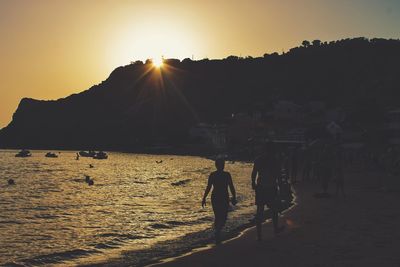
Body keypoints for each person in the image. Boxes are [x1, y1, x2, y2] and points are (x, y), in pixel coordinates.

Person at [252, 142, 284, 241]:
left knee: (260, 210)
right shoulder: (274, 160)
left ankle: (259, 235)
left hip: (261, 187)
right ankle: (275, 229)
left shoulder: (258, 159)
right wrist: (280, 187)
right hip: (271, 187)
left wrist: (253, 183)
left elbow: (254, 173)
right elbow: (278, 175)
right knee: (274, 209)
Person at [202, 158, 237, 244]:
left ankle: (217, 232)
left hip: (215, 197)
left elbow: (208, 187)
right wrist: (234, 196)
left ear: (216, 165)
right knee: (223, 217)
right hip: (223, 197)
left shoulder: (213, 175)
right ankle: (217, 232)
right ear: (222, 165)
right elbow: (231, 187)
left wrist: (204, 198)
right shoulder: (227, 175)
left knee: (218, 216)